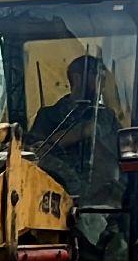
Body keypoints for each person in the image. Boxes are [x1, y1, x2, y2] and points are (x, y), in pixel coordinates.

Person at [29, 54, 124, 206]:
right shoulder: (49, 116)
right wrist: (82, 132)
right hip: (51, 201)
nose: (103, 85)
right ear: (78, 79)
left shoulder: (107, 118)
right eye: (98, 78)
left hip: (102, 203)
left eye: (104, 80)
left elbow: (121, 156)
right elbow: (35, 152)